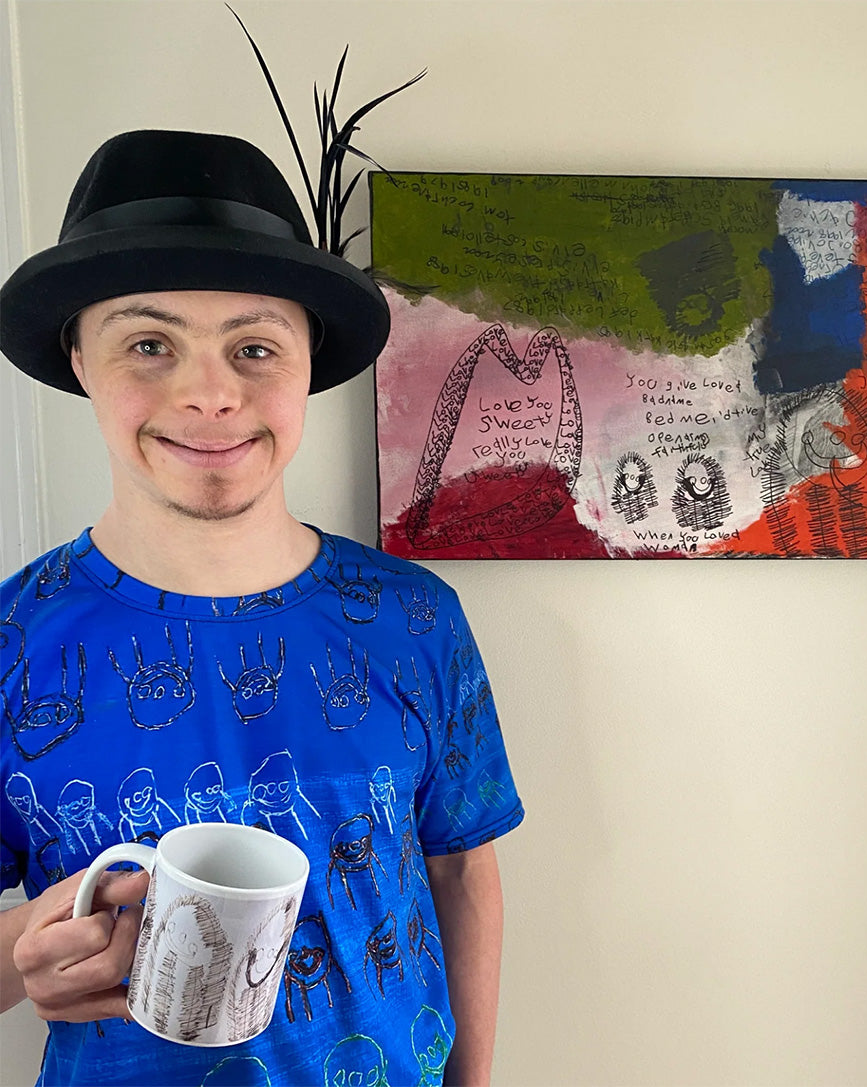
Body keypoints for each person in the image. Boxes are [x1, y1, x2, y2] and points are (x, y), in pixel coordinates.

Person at [0, 129, 524, 1087]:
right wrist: (21, 951)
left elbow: (459, 866)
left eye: (254, 347)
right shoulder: (9, 643)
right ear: (79, 355)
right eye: (149, 344)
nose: (210, 394)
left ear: (306, 361)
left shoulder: (416, 619)